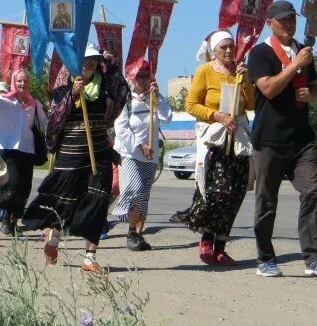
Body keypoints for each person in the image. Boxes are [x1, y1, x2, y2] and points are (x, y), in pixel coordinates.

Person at [23, 44, 130, 273]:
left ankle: (89, 257)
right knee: (65, 201)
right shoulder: (65, 83)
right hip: (71, 153)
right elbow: (55, 118)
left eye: (93, 59)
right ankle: (53, 238)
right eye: (84, 59)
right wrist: (73, 94)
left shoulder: (104, 83)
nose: (89, 63)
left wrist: (111, 66)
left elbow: (123, 94)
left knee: (98, 201)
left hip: (99, 151)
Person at [248, 0, 317, 277]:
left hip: (301, 139)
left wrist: (312, 94)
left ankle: (314, 258)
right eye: (283, 20)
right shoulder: (260, 53)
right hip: (269, 140)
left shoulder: (304, 52)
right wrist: (294, 65)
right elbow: (269, 89)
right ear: (269, 23)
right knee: (266, 201)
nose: (289, 24)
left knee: (313, 192)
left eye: (292, 19)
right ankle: (265, 259)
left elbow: (315, 84)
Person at [183, 30, 254, 264]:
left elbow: (251, 104)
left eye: (231, 46)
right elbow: (191, 105)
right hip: (215, 139)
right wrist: (218, 116)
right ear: (214, 50)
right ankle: (206, 237)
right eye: (223, 47)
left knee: (236, 192)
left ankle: (221, 246)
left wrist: (246, 82)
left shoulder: (240, 70)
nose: (228, 51)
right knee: (219, 190)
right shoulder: (205, 71)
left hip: (238, 138)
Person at [113, 61, 172, 251]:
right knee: (135, 187)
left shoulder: (154, 98)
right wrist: (139, 146)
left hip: (150, 155)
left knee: (143, 196)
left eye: (146, 75)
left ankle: (136, 234)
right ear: (132, 77)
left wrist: (158, 96)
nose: (143, 79)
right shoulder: (127, 100)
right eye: (139, 76)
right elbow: (120, 128)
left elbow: (167, 117)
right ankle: (126, 220)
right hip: (130, 152)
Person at [0, 69, 48, 236]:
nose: (22, 84)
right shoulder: (3, 100)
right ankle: (4, 217)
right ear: (13, 82)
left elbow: (43, 124)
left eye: (25, 81)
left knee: (24, 187)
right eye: (19, 81)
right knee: (11, 184)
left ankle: (13, 221)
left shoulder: (34, 103)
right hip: (7, 147)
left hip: (27, 148)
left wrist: (39, 106)